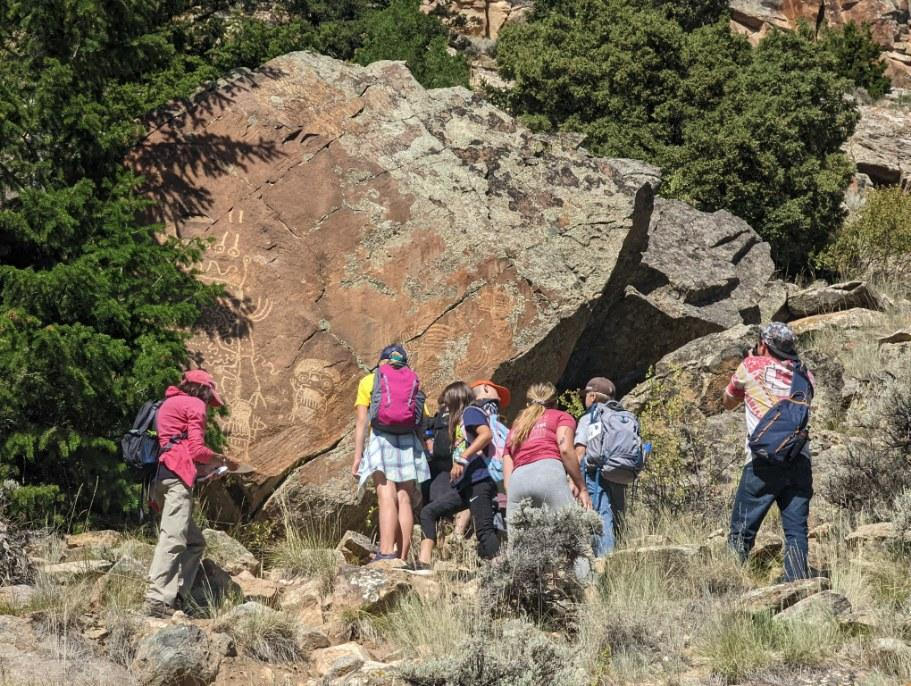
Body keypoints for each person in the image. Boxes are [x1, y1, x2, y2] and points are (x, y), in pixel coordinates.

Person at [724, 323, 815, 581]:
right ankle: (796, 587)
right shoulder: (806, 375)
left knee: (742, 529)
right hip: (798, 457)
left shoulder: (750, 366)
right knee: (796, 530)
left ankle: (730, 582)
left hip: (762, 460)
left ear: (763, 344)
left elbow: (728, 400)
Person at [145, 369, 236, 618]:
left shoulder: (169, 403)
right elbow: (196, 449)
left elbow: (178, 447)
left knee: (195, 541)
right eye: (209, 394)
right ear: (203, 390)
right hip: (176, 481)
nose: (209, 402)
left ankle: (177, 596)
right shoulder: (195, 404)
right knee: (173, 538)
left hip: (161, 478)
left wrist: (205, 473)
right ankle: (157, 598)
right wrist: (221, 459)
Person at [352, 344, 430, 563]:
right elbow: (421, 419)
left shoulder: (370, 380)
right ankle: (403, 558)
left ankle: (386, 552)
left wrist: (358, 456)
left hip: (381, 439)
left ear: (382, 362)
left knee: (386, 495)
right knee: (404, 498)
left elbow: (361, 421)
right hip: (408, 441)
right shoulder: (412, 382)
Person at [417, 381, 499, 569]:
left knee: (484, 531)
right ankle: (424, 565)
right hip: (465, 484)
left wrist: (462, 458)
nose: (444, 408)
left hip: (479, 479)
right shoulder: (459, 421)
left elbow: (486, 435)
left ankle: (505, 576)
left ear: (455, 399)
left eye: (446, 402)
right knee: (428, 512)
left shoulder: (470, 412)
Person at [503, 382, 591, 520]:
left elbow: (508, 466)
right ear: (555, 402)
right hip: (548, 474)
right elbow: (566, 450)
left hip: (517, 482)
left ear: (527, 404)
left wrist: (512, 494)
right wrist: (581, 487)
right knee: (570, 532)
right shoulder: (561, 417)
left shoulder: (516, 427)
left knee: (521, 540)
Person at [574, 376, 626, 556]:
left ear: (593, 396)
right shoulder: (620, 416)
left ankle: (604, 560)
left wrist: (572, 479)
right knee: (616, 513)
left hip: (594, 473)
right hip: (618, 470)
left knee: (600, 515)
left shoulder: (589, 418)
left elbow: (580, 451)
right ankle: (618, 554)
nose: (584, 398)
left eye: (586, 394)